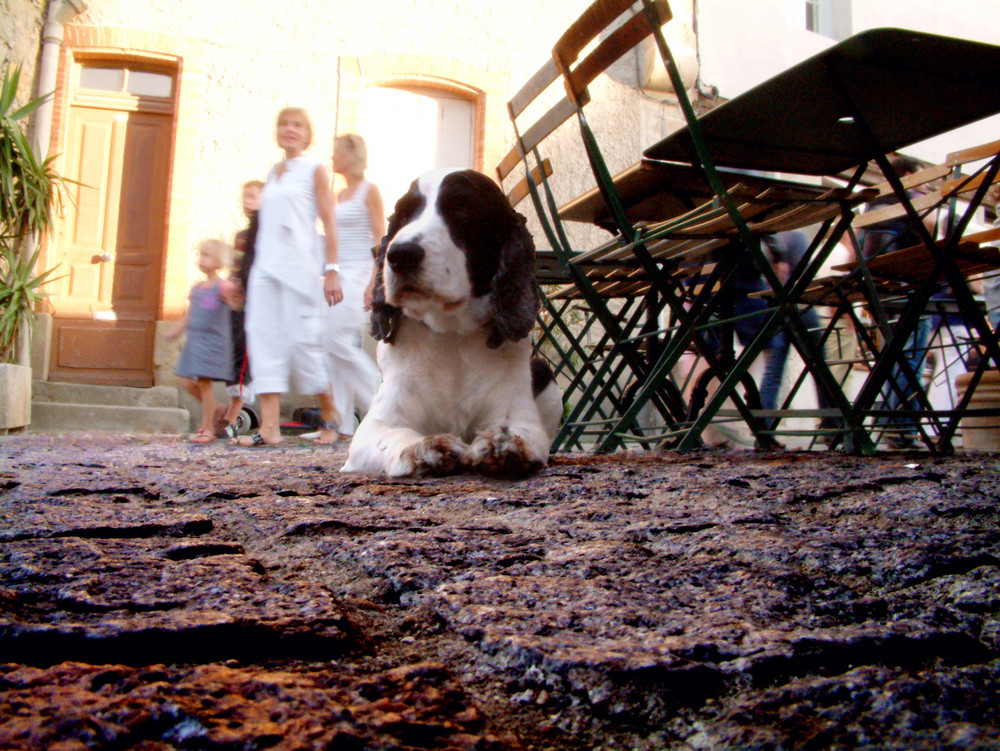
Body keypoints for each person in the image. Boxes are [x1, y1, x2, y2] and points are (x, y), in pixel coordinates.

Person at [235, 106, 342, 447]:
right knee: (263, 340)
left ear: (307, 133)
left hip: (300, 265)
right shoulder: (272, 172)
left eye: (297, 125)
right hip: (266, 268)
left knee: (303, 341)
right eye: (284, 124)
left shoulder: (315, 170)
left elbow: (328, 219)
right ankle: (269, 428)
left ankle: (332, 415)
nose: (289, 129)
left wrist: (332, 270)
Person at [857, 154, 937, 449]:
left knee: (893, 357)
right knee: (910, 357)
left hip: (878, 292)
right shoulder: (908, 200)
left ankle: (886, 422)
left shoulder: (873, 204)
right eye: (921, 181)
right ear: (907, 176)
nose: (926, 187)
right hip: (906, 288)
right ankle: (900, 429)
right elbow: (931, 231)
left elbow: (857, 250)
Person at [307, 134, 383, 443]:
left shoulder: (370, 190)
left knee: (333, 342)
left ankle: (380, 404)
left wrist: (374, 282)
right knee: (332, 345)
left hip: (360, 272)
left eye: (337, 153)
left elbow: (381, 238)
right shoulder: (337, 195)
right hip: (336, 274)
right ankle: (340, 425)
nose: (333, 158)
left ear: (352, 156)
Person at [165, 239, 237, 443]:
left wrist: (235, 300)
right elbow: (189, 315)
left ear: (219, 261)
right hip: (195, 342)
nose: (201, 259)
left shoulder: (223, 286)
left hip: (213, 343)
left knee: (205, 384)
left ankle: (207, 428)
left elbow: (236, 303)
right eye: (200, 254)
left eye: (207, 255)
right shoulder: (198, 289)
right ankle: (216, 409)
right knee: (185, 381)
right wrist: (175, 331)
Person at [215, 180, 262, 439]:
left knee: (244, 360)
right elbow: (236, 271)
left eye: (253, 196)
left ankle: (231, 419)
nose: (247, 201)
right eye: (245, 196)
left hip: (256, 305)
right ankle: (230, 416)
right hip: (239, 305)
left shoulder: (266, 236)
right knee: (236, 357)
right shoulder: (242, 237)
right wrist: (231, 288)